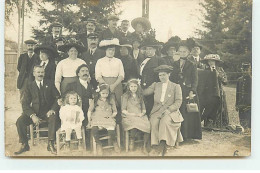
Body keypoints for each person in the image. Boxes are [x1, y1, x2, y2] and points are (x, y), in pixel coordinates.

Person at [14, 66, 60, 155]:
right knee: (20, 121)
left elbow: (57, 98)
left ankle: (50, 144)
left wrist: (52, 109)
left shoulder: (50, 84)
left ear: (44, 73)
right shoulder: (29, 86)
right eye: (38, 72)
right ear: (34, 73)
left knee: (53, 117)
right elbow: (25, 104)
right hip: (35, 112)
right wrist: (32, 115)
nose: (40, 74)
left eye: (42, 72)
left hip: (47, 112)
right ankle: (24, 144)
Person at [143, 65, 184, 156]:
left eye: (164, 75)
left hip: (171, 111)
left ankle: (163, 146)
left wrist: (169, 110)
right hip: (157, 110)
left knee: (164, 122)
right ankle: (155, 145)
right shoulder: (156, 85)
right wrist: (135, 87)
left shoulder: (176, 86)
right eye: (160, 75)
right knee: (153, 122)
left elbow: (178, 101)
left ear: (169, 74)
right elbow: (145, 93)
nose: (161, 77)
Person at [169, 40, 202, 140]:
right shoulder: (174, 64)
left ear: (188, 53)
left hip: (187, 91)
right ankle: (176, 134)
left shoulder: (192, 64)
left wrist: (192, 90)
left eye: (184, 52)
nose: (182, 53)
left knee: (187, 112)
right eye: (180, 51)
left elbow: (195, 79)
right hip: (177, 90)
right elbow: (172, 77)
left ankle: (188, 135)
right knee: (177, 110)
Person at [88, 83, 119, 155]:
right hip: (97, 117)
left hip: (108, 117)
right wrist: (89, 120)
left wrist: (112, 116)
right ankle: (98, 144)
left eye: (106, 93)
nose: (105, 95)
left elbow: (115, 111)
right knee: (94, 128)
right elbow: (89, 111)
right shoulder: (95, 100)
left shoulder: (111, 100)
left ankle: (114, 142)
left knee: (111, 130)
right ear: (99, 93)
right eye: (103, 93)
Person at [121, 78, 150, 153]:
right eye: (131, 86)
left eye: (135, 86)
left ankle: (144, 145)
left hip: (139, 115)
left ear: (138, 87)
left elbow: (144, 109)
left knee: (148, 125)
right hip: (129, 115)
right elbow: (123, 109)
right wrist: (131, 114)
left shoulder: (140, 96)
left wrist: (142, 113)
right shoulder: (125, 96)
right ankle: (132, 140)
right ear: (128, 87)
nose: (133, 88)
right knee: (134, 124)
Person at [200, 54, 229, 128]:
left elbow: (225, 81)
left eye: (213, 61)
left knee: (219, 107)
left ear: (216, 62)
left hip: (219, 92)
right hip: (208, 93)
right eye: (209, 61)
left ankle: (218, 124)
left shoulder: (220, 69)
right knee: (209, 107)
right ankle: (208, 124)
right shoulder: (205, 70)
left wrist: (217, 74)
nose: (211, 62)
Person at [139, 38, 166, 116]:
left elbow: (163, 76)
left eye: (150, 49)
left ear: (155, 50)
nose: (148, 51)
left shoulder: (159, 60)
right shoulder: (143, 60)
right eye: (147, 49)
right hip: (143, 87)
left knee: (152, 109)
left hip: (154, 88)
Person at [95, 38, 124, 107]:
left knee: (118, 103)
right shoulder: (100, 61)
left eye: (113, 50)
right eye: (109, 50)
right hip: (104, 83)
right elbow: (98, 76)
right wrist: (106, 86)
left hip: (116, 84)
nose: (111, 52)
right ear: (106, 50)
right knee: (105, 102)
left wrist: (114, 85)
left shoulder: (118, 61)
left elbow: (121, 75)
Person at [236, 63, 251, 129]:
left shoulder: (252, 80)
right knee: (242, 119)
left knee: (249, 121)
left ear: (250, 70)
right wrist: (237, 104)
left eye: (246, 70)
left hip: (249, 105)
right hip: (241, 104)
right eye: (243, 70)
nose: (245, 72)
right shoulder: (239, 80)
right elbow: (237, 93)